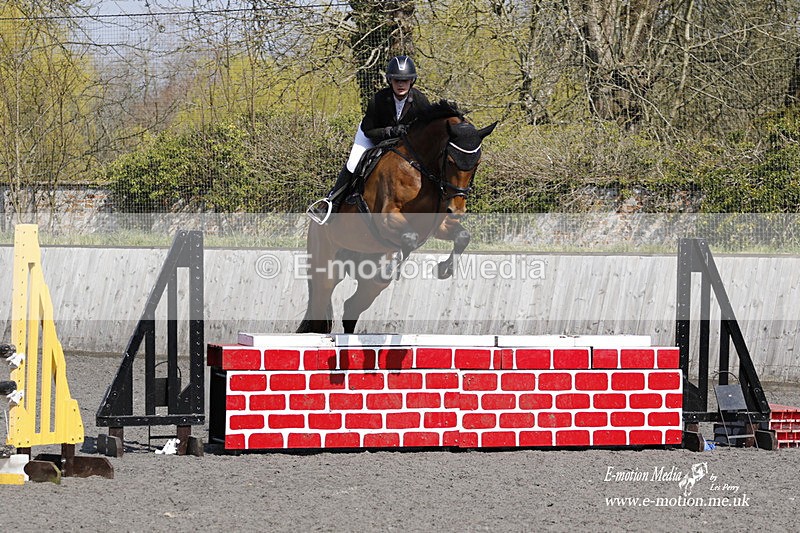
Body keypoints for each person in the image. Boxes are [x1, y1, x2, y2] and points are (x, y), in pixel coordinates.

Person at [308, 55, 431, 223]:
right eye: (396, 80)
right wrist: (390, 131)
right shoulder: (379, 100)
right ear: (390, 81)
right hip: (374, 135)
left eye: (405, 80)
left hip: (404, 144)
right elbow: (368, 130)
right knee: (353, 163)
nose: (401, 84)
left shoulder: (421, 101)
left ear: (412, 81)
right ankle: (330, 203)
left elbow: (426, 130)